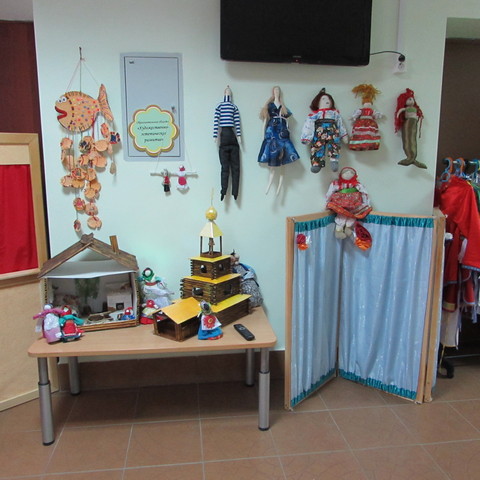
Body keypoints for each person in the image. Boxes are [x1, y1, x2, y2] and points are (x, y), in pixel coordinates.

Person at [258, 86, 300, 195]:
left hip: (282, 131)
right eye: (275, 90)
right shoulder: (270, 106)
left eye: (278, 90)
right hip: (272, 131)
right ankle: (269, 185)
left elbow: (287, 120)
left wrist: (288, 130)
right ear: (273, 92)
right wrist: (263, 135)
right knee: (273, 162)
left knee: (282, 162)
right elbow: (265, 121)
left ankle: (280, 188)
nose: (277, 92)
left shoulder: (283, 106)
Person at [301, 88, 348, 173]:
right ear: (317, 102)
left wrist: (344, 135)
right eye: (323, 99)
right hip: (319, 132)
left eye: (329, 99)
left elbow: (340, 124)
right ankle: (317, 163)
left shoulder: (335, 113)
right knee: (317, 145)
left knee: (334, 144)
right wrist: (306, 137)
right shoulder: (315, 114)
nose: (327, 101)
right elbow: (308, 125)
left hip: (333, 131)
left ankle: (334, 160)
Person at [325, 166, 372, 250]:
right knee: (341, 214)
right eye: (345, 173)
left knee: (353, 215)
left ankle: (348, 227)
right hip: (340, 202)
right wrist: (327, 201)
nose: (347, 174)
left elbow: (364, 193)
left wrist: (366, 203)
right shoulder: (336, 184)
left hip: (354, 203)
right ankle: (339, 230)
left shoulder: (357, 184)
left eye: (350, 173)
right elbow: (330, 192)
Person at [213, 86, 242, 201]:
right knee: (225, 167)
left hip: (232, 137)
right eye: (227, 91)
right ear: (224, 93)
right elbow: (216, 121)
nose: (228, 92)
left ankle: (235, 192)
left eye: (229, 91)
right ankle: (223, 190)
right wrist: (215, 135)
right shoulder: (219, 106)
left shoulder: (234, 107)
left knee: (235, 167)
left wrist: (239, 136)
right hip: (224, 137)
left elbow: (237, 123)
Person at [394, 88, 426, 169]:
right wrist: (397, 117)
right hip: (409, 122)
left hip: (413, 122)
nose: (412, 101)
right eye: (409, 99)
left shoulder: (415, 109)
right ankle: (410, 157)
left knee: (412, 138)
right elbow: (400, 112)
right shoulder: (406, 109)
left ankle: (412, 158)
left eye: (412, 99)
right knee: (408, 138)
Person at [349, 84, 383, 151]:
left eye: (369, 103)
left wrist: (380, 115)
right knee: (360, 134)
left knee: (370, 134)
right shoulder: (361, 110)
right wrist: (352, 117)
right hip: (361, 123)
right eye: (366, 103)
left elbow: (376, 114)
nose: (367, 104)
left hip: (370, 124)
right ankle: (359, 145)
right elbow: (356, 114)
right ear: (363, 103)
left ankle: (370, 145)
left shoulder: (372, 111)